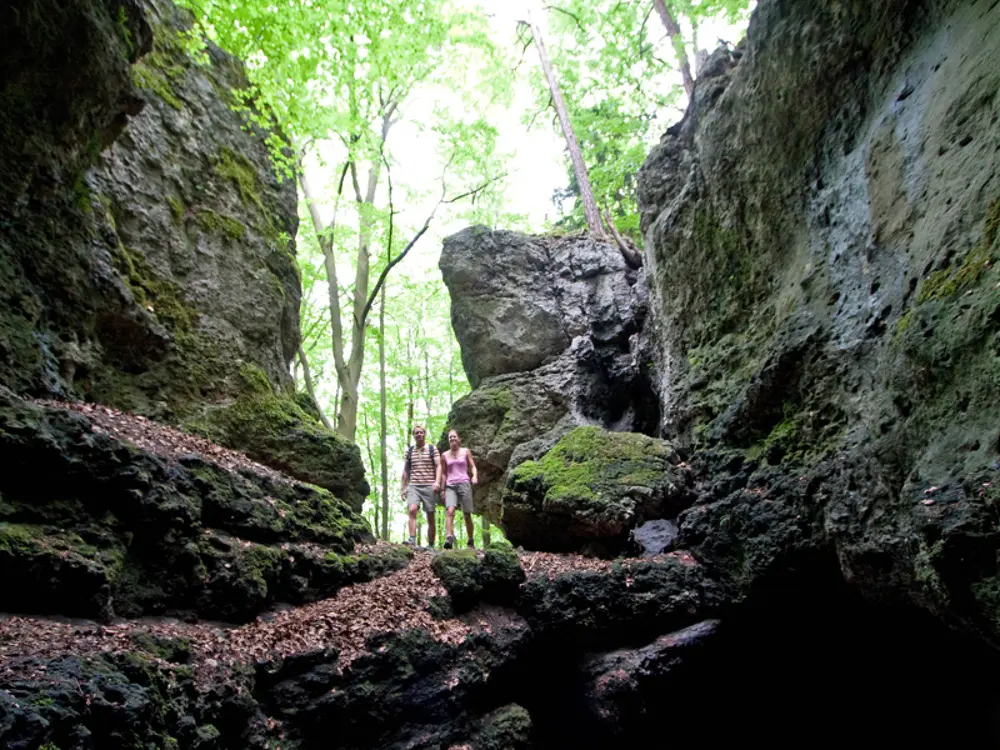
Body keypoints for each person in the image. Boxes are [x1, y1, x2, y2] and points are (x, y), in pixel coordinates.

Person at [401, 425, 441, 547]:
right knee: (412, 510)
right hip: (414, 486)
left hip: (429, 485)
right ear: (413, 436)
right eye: (416, 433)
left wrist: (437, 482)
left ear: (424, 434)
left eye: (421, 432)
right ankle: (412, 540)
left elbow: (439, 466)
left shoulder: (431, 449)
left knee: (430, 515)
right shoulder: (410, 451)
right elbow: (405, 470)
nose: (419, 435)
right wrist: (403, 488)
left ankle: (430, 544)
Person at [440, 428, 478, 550]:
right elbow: (444, 473)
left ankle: (471, 540)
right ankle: (449, 537)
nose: (452, 439)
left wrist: (474, 476)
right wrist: (442, 489)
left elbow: (472, 466)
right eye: (450, 437)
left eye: (454, 436)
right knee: (450, 511)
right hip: (450, 485)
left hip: (464, 483)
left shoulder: (465, 451)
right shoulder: (444, 455)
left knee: (467, 514)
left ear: (459, 439)